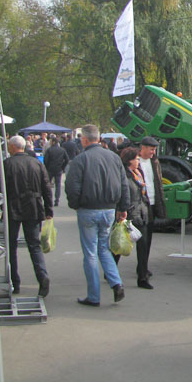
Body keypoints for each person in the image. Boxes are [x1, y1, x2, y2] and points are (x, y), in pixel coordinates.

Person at [65, 124, 130, 307]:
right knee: (104, 248)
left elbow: (72, 187)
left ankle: (94, 296)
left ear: (84, 139)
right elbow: (123, 184)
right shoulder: (114, 158)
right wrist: (123, 207)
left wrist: (75, 205)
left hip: (88, 209)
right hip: (109, 209)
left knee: (90, 253)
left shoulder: (80, 160)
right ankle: (116, 283)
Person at [1, 135, 53, 297]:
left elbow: (0, 189)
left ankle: (14, 282)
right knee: (34, 245)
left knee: (11, 246)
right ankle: (42, 276)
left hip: (12, 207)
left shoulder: (7, 164)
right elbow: (46, 188)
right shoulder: (36, 163)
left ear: (11, 147)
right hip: (34, 207)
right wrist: (48, 210)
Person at [114, 147, 151, 289]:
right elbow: (121, 194)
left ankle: (142, 277)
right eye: (136, 159)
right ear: (129, 160)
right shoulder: (123, 175)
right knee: (121, 244)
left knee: (142, 245)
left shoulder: (138, 173)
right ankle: (110, 268)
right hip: (129, 214)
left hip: (141, 213)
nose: (138, 161)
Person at [137, 136, 166, 281]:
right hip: (138, 205)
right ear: (143, 148)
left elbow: (158, 183)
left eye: (154, 150)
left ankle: (142, 267)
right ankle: (113, 264)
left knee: (147, 239)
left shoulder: (155, 162)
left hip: (152, 204)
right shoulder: (134, 162)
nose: (153, 152)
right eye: (151, 149)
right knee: (133, 238)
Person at [44, 136, 69, 206]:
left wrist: (47, 167)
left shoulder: (49, 150)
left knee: (48, 185)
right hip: (59, 169)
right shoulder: (62, 150)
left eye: (51, 141)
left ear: (53, 142)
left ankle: (49, 199)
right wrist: (63, 167)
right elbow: (67, 159)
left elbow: (45, 160)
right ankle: (56, 200)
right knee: (58, 185)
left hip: (50, 169)